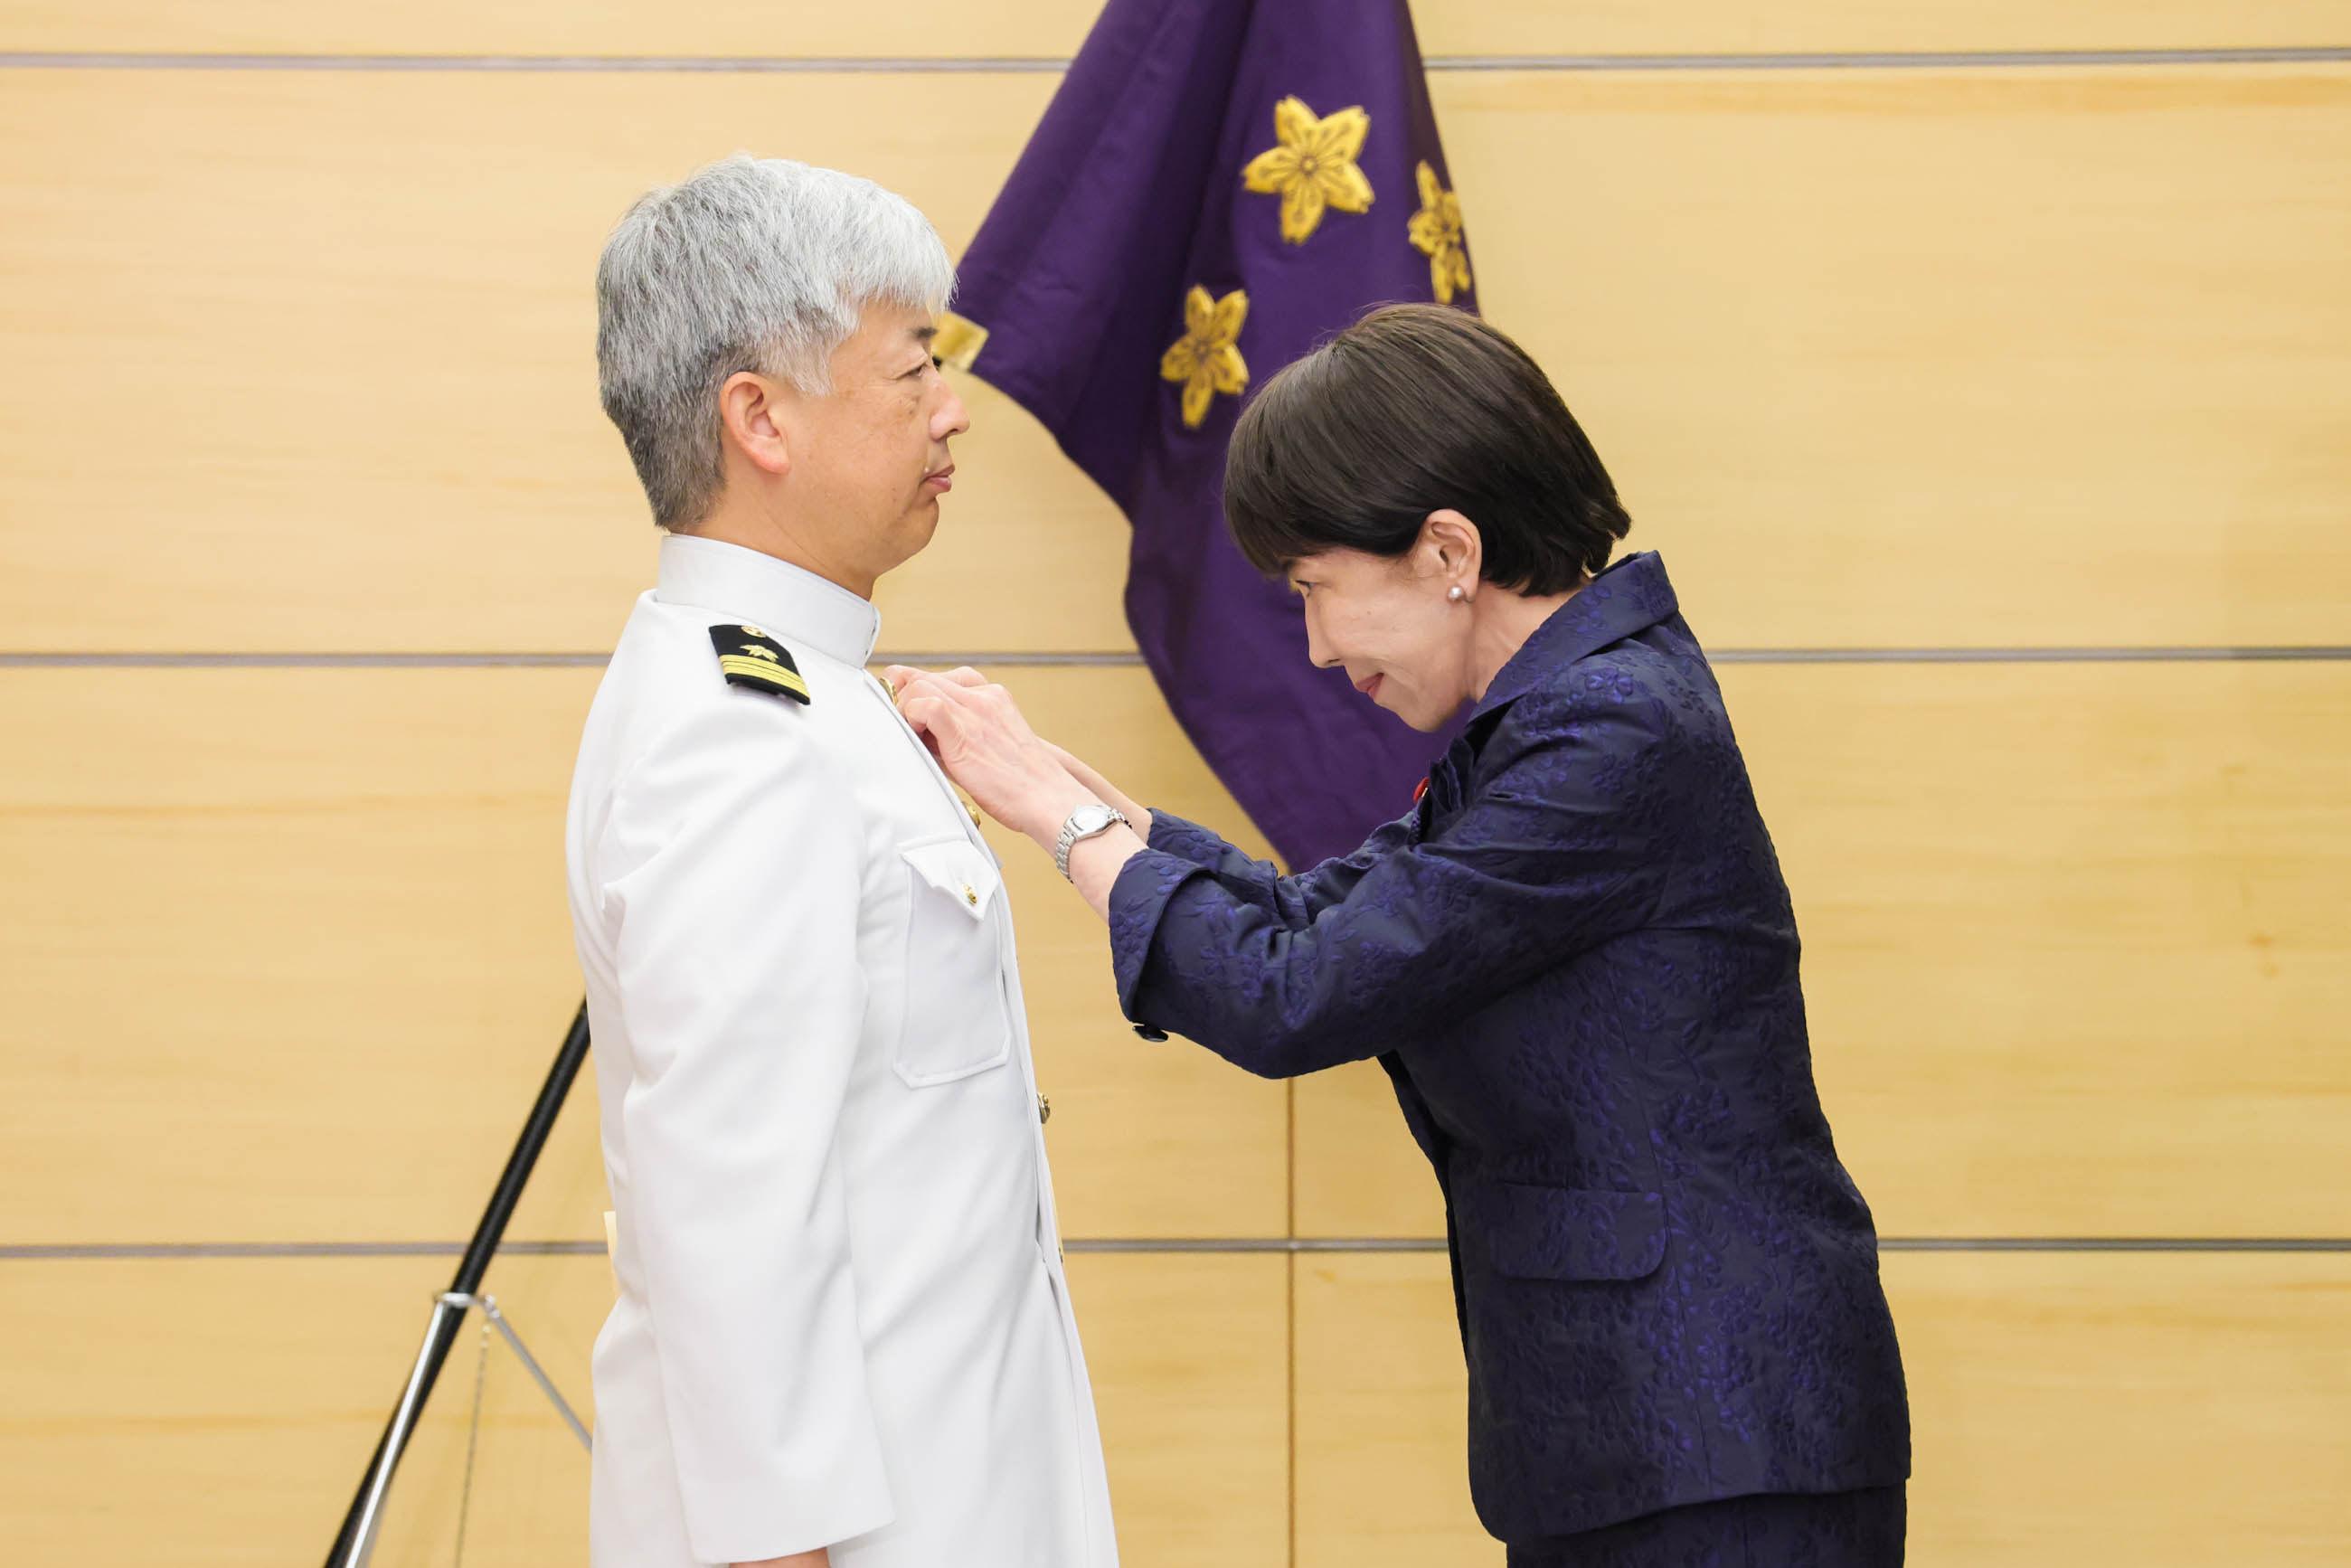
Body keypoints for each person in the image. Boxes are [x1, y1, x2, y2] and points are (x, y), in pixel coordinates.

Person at [892, 304, 1911, 1566]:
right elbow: (1317, 915)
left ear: (1447, 551)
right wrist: (1054, 782)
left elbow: (1297, 992)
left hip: (1715, 1440)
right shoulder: (1561, 709)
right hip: (1670, 1442)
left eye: (1316, 589)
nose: (1319, 647)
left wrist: (1053, 818)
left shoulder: (1610, 730)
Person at [565, 156, 1119, 1568]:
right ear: (760, 416)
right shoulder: (738, 732)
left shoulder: (808, 686)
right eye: (912, 369)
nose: (952, 409)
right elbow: (731, 1211)